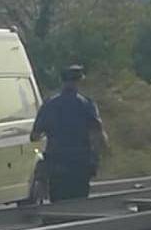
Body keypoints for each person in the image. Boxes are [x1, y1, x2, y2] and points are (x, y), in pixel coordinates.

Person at [31, 65, 109, 201]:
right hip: (80, 163)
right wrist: (98, 154)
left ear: (62, 81)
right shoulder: (86, 104)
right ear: (79, 82)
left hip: (57, 164)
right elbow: (98, 134)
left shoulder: (49, 105)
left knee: (58, 202)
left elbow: (35, 136)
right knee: (79, 203)